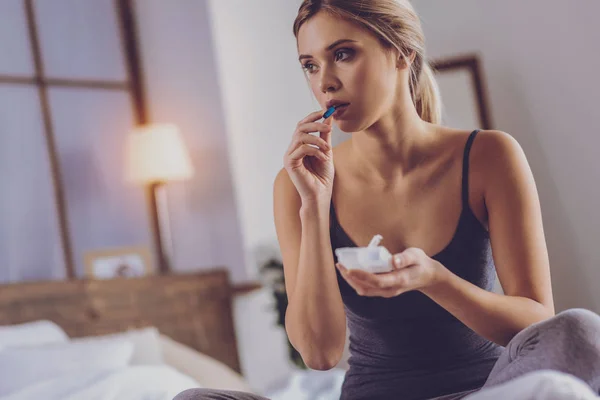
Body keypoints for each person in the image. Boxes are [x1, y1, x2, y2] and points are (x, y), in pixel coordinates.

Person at [175, 0, 600, 399]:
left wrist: (435, 279)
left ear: (401, 53)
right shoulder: (295, 185)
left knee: (580, 332)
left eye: (343, 54)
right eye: (310, 65)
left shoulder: (490, 156)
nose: (324, 81)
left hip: (484, 392)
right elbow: (319, 354)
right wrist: (314, 206)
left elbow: (539, 326)